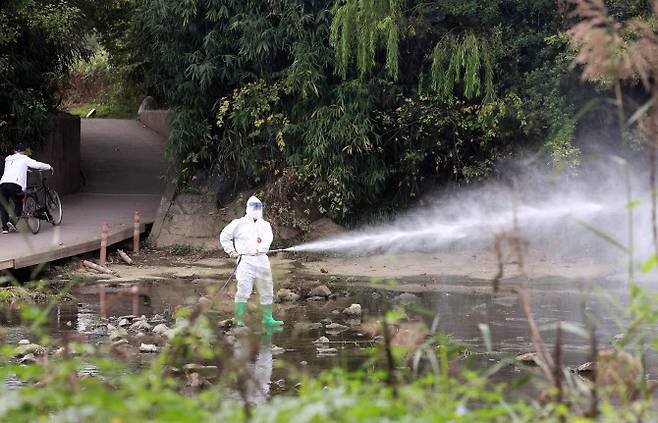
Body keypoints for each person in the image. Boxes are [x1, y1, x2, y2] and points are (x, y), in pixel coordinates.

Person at [219, 196, 284, 327]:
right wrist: (231, 251)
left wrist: (259, 249)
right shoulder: (238, 223)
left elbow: (267, 241)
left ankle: (267, 318)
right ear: (248, 208)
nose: (257, 210)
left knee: (267, 289)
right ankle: (239, 319)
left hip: (262, 260)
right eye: (254, 207)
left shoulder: (265, 225)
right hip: (245, 262)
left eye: (259, 207)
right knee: (243, 289)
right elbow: (224, 236)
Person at [0, 143, 52, 234]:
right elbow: (37, 165)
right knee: (19, 203)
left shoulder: (8, 160)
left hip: (3, 184)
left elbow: (14, 168)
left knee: (4, 205)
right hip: (15, 184)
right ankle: (12, 222)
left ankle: (5, 228)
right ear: (24, 151)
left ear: (14, 151)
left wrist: (26, 169)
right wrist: (49, 167)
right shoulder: (25, 159)